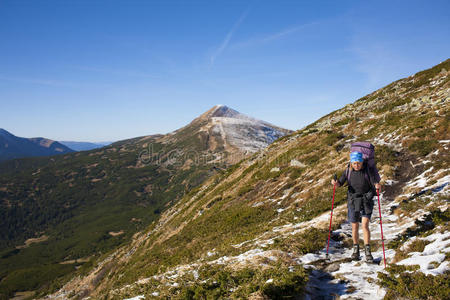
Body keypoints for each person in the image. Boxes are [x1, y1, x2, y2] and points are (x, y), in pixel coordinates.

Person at [331, 151, 379, 262]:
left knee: (365, 225)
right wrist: (335, 183)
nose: (356, 165)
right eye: (354, 163)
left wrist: (377, 186)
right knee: (354, 226)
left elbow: (375, 184)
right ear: (351, 163)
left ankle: (368, 252)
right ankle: (355, 250)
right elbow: (340, 183)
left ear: (362, 162)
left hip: (366, 201)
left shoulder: (367, 171)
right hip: (353, 201)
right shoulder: (348, 170)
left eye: (358, 163)